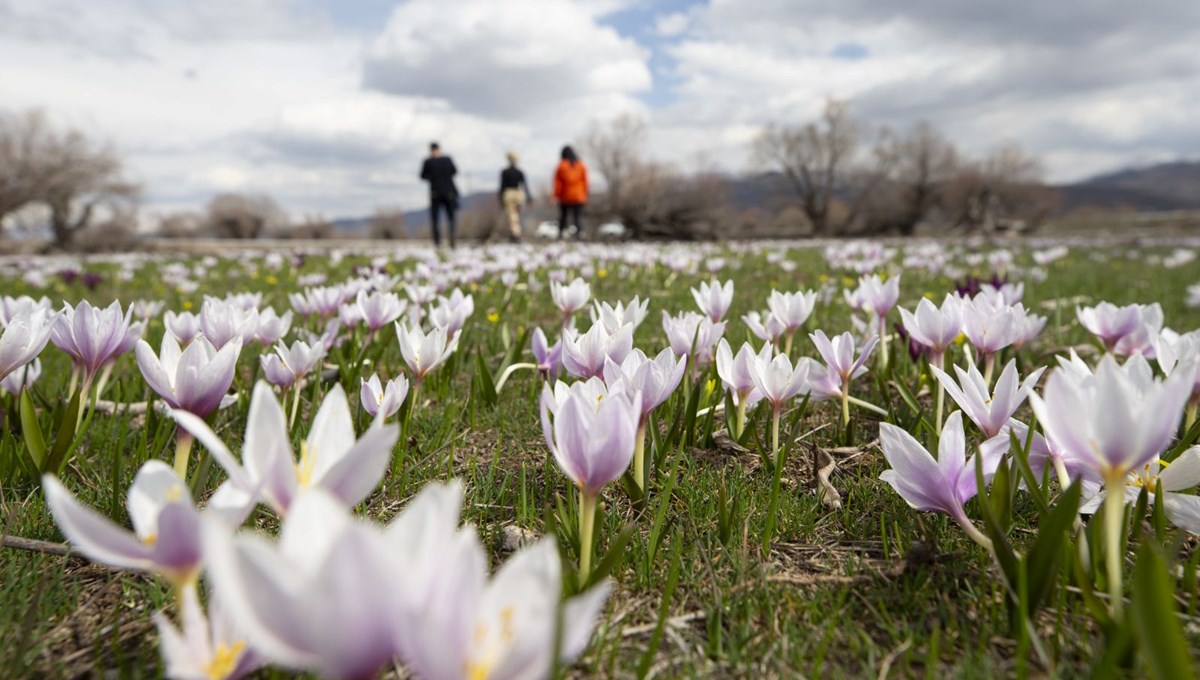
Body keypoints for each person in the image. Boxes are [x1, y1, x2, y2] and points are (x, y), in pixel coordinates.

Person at [419, 142, 458, 248]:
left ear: (431, 150)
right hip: (449, 191)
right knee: (451, 217)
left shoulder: (428, 161)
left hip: (435, 192)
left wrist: (432, 177)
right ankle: (452, 236)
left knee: (435, 219)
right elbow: (454, 171)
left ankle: (437, 242)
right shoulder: (447, 159)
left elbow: (422, 176)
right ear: (439, 149)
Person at [553, 145, 587, 240]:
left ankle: (560, 235)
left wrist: (556, 196)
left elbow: (558, 183)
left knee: (563, 217)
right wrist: (584, 195)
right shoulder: (581, 165)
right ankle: (579, 235)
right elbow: (585, 182)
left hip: (565, 196)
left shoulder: (561, 166)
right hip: (578, 196)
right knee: (577, 217)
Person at [498, 151, 531, 242]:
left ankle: (514, 235)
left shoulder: (505, 172)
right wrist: (528, 196)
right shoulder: (519, 172)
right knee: (517, 215)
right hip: (518, 195)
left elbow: (502, 186)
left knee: (512, 216)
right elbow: (525, 186)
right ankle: (516, 234)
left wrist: (500, 199)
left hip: (509, 195)